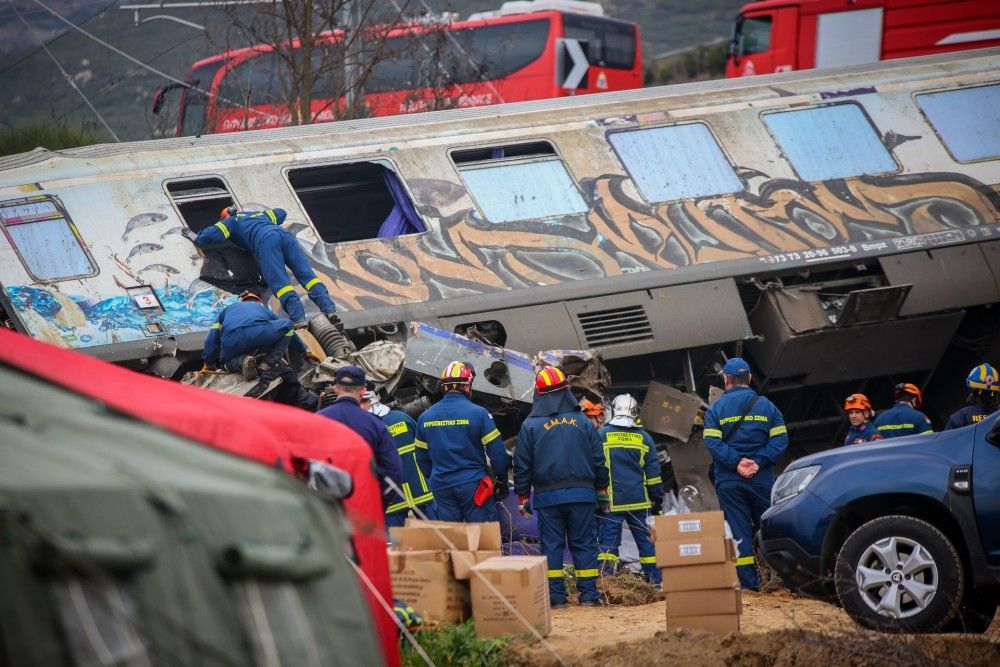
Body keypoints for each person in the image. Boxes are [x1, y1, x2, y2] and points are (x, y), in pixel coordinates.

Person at [513, 367, 609, 608]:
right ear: (566, 391)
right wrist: (601, 490)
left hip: (548, 498)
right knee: (584, 543)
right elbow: (598, 459)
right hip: (582, 496)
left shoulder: (530, 426)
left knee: (552, 546)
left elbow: (522, 464)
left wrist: (523, 496)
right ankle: (588, 596)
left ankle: (556, 599)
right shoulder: (583, 422)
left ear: (539, 394)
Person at [703, 357, 788, 590]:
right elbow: (780, 440)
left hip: (730, 481)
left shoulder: (715, 409)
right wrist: (758, 462)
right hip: (761, 480)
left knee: (739, 533)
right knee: (770, 528)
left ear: (726, 380)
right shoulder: (767, 406)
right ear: (749, 378)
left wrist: (737, 462)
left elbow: (712, 443)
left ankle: (749, 587)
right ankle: (782, 580)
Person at [189, 206, 339, 329]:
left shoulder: (231, 221)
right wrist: (263, 217)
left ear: (225, 216)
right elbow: (282, 212)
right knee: (308, 277)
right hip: (286, 236)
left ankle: (299, 319)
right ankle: (329, 309)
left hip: (267, 241)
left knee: (280, 284)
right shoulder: (258, 215)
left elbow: (212, 233)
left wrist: (197, 237)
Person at [414, 361, 509, 522]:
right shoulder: (479, 414)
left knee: (453, 540)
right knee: (483, 539)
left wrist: (438, 476)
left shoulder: (425, 417)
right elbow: (497, 453)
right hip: (473, 485)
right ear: (466, 386)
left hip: (442, 486)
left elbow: (421, 457)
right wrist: (501, 479)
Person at [596, 394, 663, 585]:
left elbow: (595, 467)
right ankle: (655, 583)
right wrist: (657, 500)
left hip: (611, 501)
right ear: (635, 412)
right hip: (639, 500)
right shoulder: (644, 438)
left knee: (608, 546)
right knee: (646, 544)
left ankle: (607, 584)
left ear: (614, 409)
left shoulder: (601, 435)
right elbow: (654, 475)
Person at [318, 366, 403, 504]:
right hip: (365, 505)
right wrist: (379, 503)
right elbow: (394, 470)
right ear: (363, 391)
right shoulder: (375, 424)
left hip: (329, 510)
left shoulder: (317, 421)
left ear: (335, 388)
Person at [367, 387, 436, 526]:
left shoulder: (366, 428)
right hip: (420, 489)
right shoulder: (401, 417)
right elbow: (425, 447)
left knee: (394, 544)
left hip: (392, 497)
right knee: (438, 533)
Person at [202, 290, 298, 381]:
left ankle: (242, 361)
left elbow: (211, 338)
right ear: (259, 302)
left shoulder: (228, 309)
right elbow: (282, 328)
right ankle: (267, 363)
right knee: (288, 325)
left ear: (242, 301)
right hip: (258, 332)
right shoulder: (261, 308)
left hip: (232, 340)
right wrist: (302, 349)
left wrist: (209, 362)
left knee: (226, 363)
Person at [945, 363, 1000, 430]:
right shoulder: (998, 414)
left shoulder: (960, 417)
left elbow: (948, 439)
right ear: (996, 391)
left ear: (972, 389)